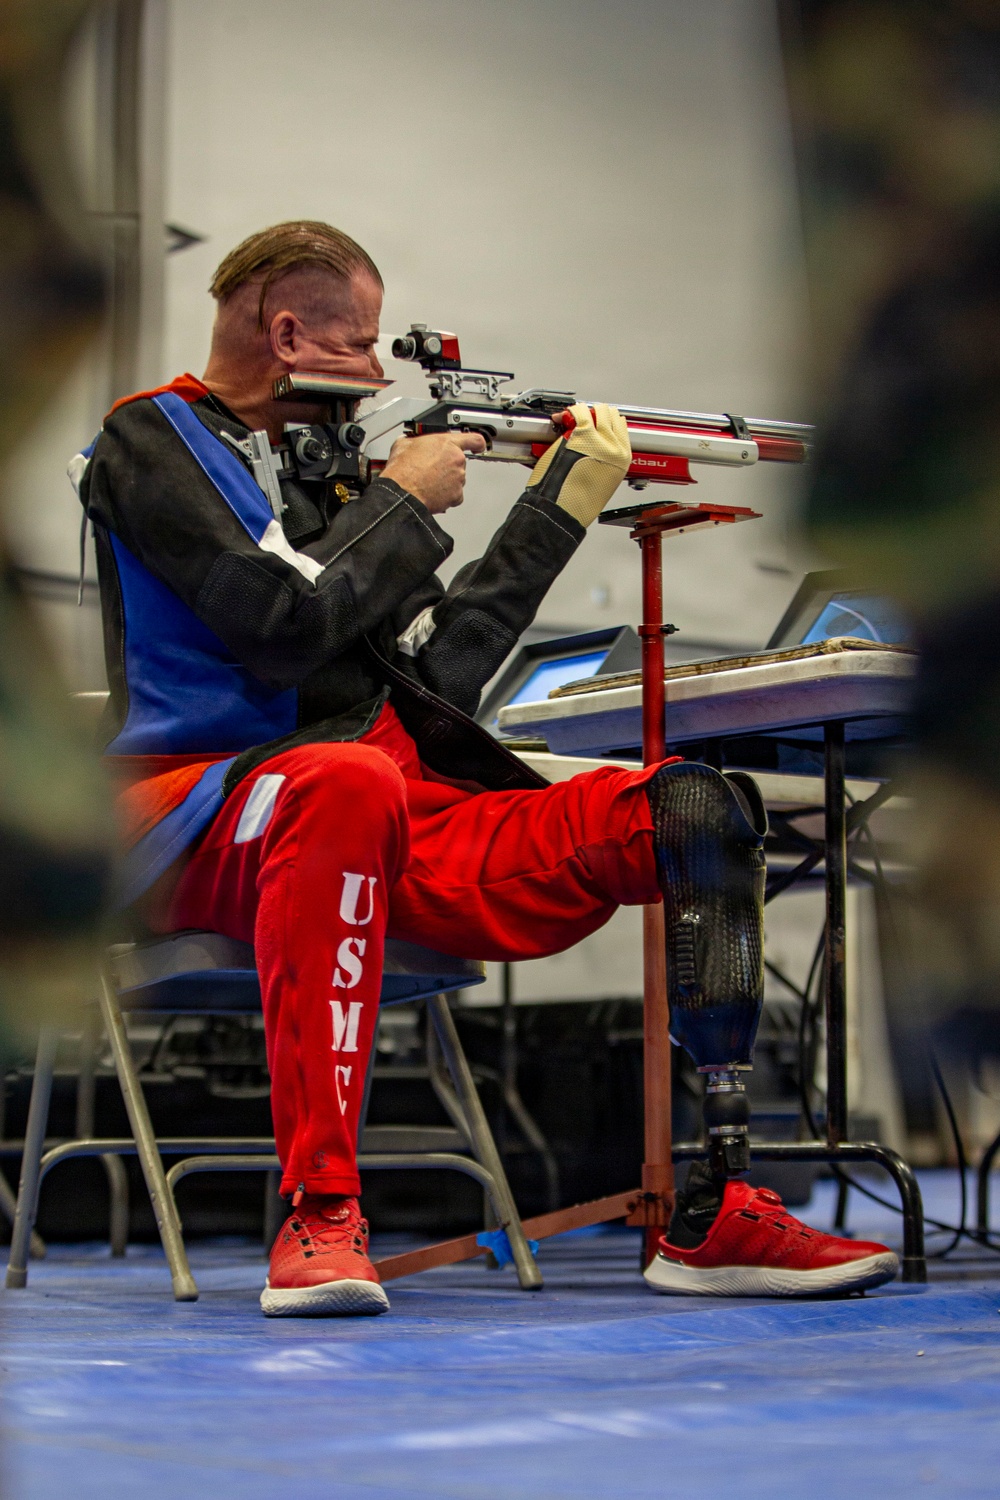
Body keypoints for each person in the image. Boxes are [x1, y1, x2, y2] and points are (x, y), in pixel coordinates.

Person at [75, 220, 897, 1315]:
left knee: (693, 806)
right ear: (285, 331)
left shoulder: (331, 484)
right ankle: (321, 1210)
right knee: (344, 781)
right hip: (200, 813)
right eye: (361, 343)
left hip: (379, 816)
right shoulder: (151, 439)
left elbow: (436, 685)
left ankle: (717, 1201)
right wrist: (404, 501)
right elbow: (275, 620)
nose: (374, 374)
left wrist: (555, 508)